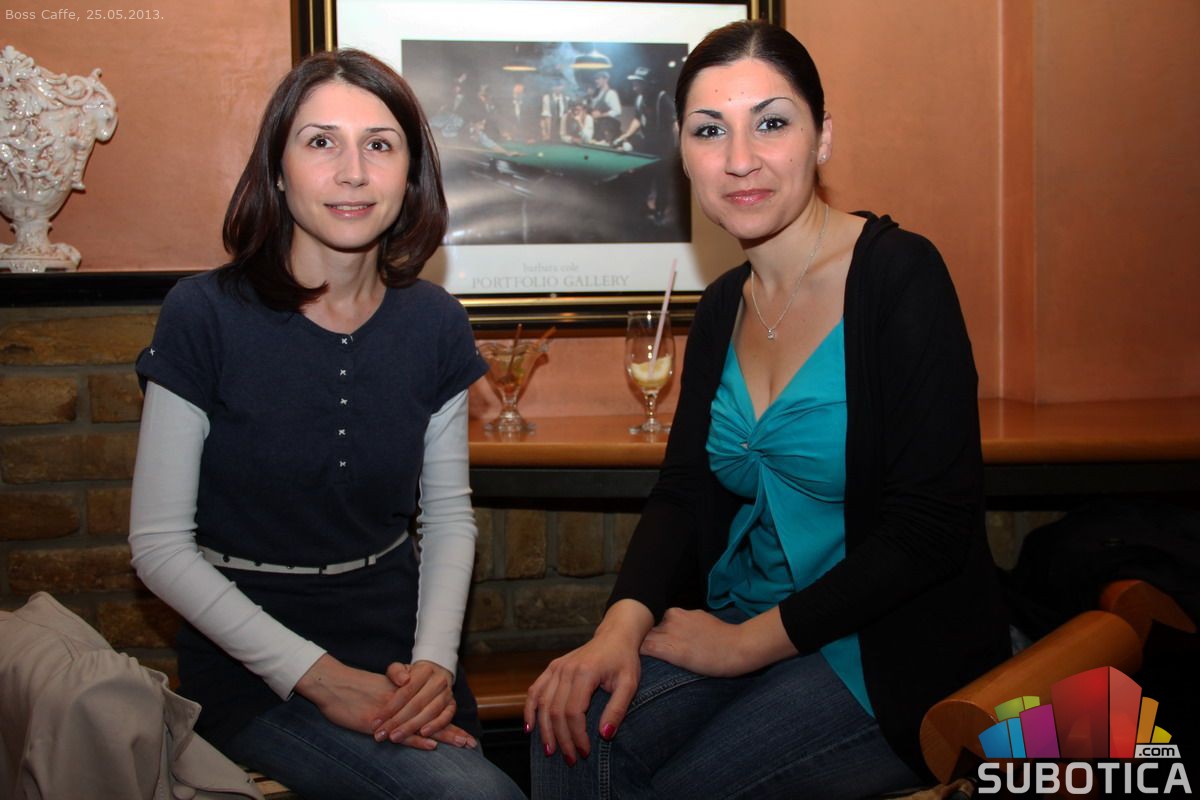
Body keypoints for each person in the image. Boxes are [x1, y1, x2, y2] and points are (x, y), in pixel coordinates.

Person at [525, 20, 1009, 800]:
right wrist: (618, 626)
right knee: (567, 734)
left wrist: (747, 646)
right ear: (682, 153)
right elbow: (683, 490)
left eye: (772, 123)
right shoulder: (724, 304)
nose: (739, 159)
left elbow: (932, 527)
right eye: (709, 130)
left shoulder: (899, 275)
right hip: (742, 619)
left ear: (823, 138)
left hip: (882, 648)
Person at [128, 48, 525, 800]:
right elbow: (157, 548)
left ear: (410, 174)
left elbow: (447, 519)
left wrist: (435, 664)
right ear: (277, 170)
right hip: (251, 663)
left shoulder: (435, 321)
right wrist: (317, 676)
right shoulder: (203, 314)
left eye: (380, 145)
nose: (353, 172)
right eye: (321, 143)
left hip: (400, 647)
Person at [589, 71, 622, 144]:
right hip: (598, 128)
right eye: (595, 79)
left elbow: (617, 111)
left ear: (606, 79)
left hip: (607, 130)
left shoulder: (611, 93)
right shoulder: (598, 93)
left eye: (598, 79)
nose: (596, 81)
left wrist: (600, 115)